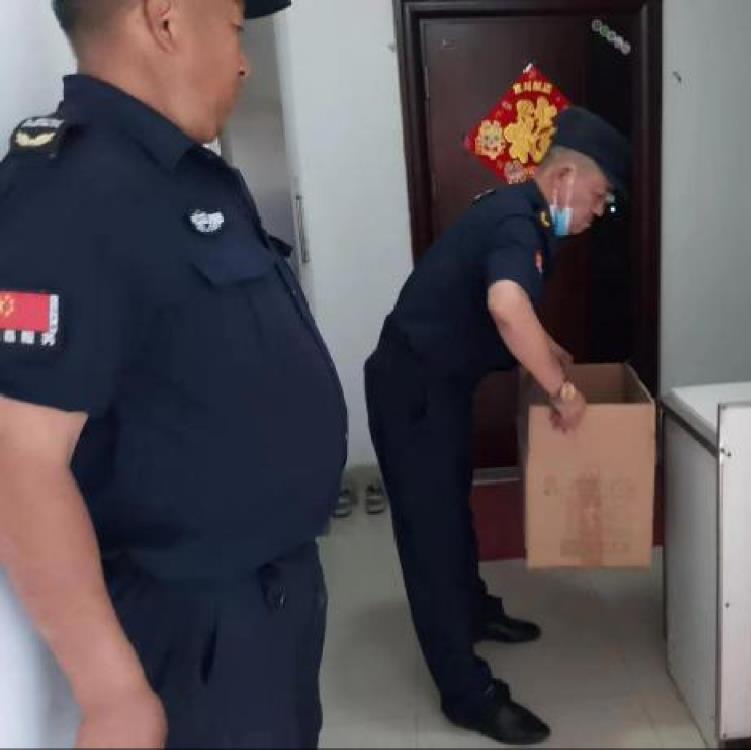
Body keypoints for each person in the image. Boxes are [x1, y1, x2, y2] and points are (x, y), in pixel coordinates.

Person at [0, 0, 341, 747]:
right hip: (195, 627)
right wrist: (112, 692)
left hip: (269, 599)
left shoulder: (186, 176)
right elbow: (19, 460)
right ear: (165, 20)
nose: (244, 61)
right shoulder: (70, 191)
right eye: (235, 29)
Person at [363, 105, 627, 746]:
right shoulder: (517, 222)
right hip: (412, 391)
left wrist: (550, 348)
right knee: (431, 535)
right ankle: (467, 692)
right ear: (565, 177)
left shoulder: (523, 217)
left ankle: (472, 611)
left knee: (453, 510)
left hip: (440, 386)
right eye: (598, 197)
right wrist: (561, 389)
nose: (598, 212)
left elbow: (511, 309)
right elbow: (506, 305)